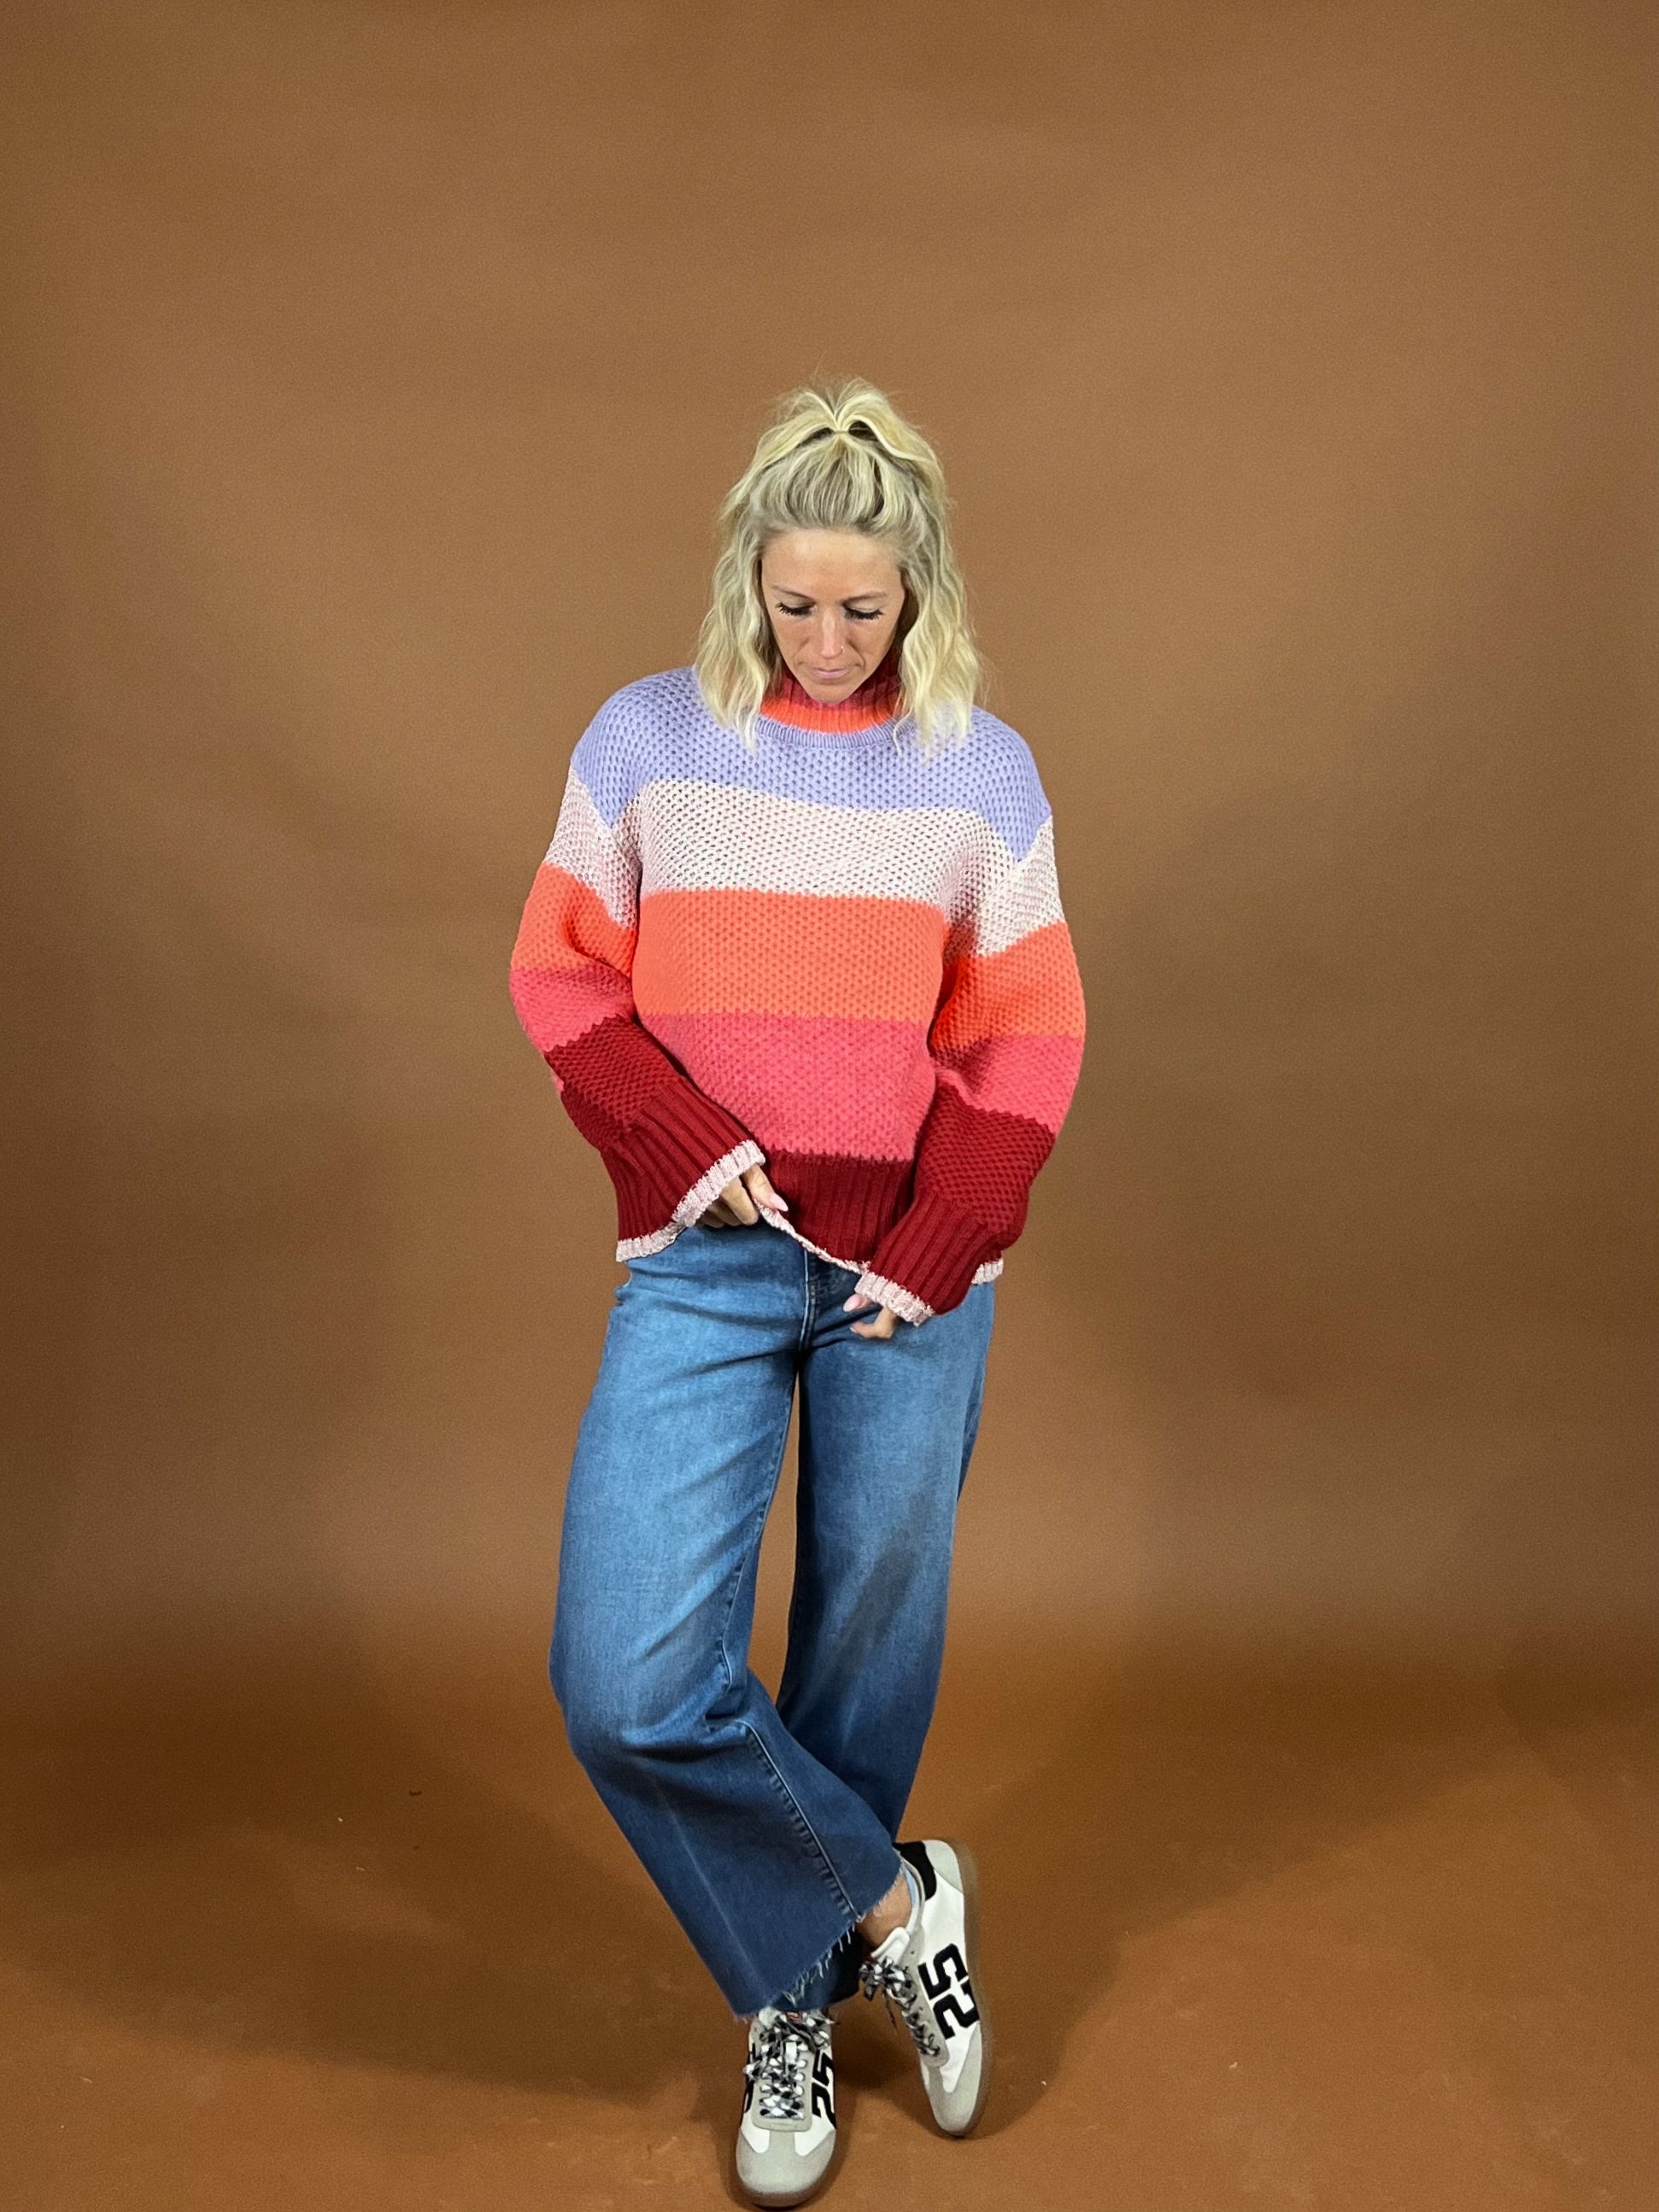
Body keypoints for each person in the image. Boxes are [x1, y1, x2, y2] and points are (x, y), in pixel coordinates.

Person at [508, 376, 1086, 2207]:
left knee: (863, 1643)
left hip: (912, 1268)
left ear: (920, 590)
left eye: (863, 606)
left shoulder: (979, 771)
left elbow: (1026, 1037)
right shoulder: (643, 742)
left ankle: (786, 1995)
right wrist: (680, 1141)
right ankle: (890, 1906)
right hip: (706, 1254)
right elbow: (560, 977)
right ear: (743, 578)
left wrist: (942, 1236)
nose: (827, 639)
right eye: (793, 602)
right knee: (623, 1675)